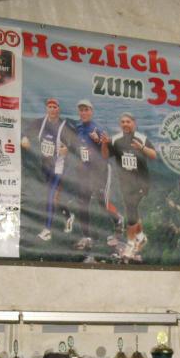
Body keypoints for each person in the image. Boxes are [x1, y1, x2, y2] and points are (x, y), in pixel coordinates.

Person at [65, 99, 122, 254]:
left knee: (102, 202)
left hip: (100, 171)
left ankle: (118, 220)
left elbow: (107, 154)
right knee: (82, 204)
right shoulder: (78, 128)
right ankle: (86, 237)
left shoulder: (97, 129)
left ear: (92, 111)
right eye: (81, 110)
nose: (83, 113)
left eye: (86, 110)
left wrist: (100, 142)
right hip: (85, 172)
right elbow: (77, 147)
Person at [104, 112, 156, 260]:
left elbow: (153, 155)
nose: (125, 124)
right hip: (125, 184)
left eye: (128, 121)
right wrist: (104, 143)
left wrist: (142, 148)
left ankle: (130, 244)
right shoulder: (116, 139)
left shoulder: (141, 138)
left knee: (131, 213)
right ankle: (141, 236)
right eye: (123, 122)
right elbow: (106, 155)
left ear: (134, 123)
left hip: (140, 183)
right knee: (132, 211)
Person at [21, 98, 74, 241]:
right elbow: (24, 132)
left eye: (54, 107)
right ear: (46, 108)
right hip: (46, 166)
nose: (52, 109)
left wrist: (67, 149)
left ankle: (47, 230)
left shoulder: (64, 126)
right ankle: (69, 216)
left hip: (60, 167)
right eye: (49, 106)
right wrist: (24, 138)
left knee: (50, 197)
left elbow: (75, 143)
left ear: (59, 109)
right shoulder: (40, 123)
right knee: (55, 198)